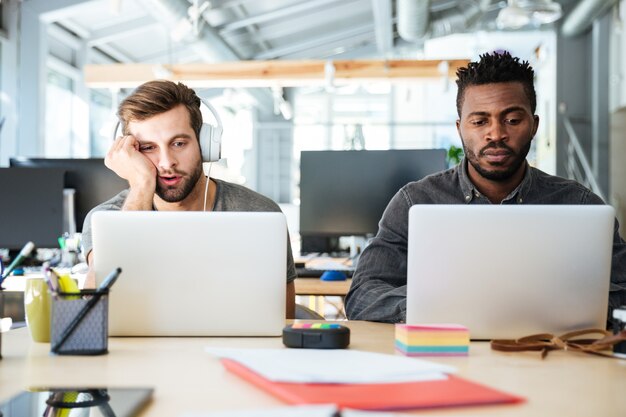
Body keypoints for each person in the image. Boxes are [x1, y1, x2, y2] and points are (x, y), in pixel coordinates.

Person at [345, 51, 626, 323]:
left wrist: (566, 304)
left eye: (512, 120)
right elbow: (362, 296)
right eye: (480, 121)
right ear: (460, 129)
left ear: (534, 125)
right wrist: (436, 307)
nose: (496, 134)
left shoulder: (578, 204)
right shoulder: (415, 202)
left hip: (547, 357)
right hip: (447, 355)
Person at [81, 80, 297, 318]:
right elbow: (95, 315)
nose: (166, 162)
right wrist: (141, 185)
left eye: (179, 143)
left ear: (205, 145)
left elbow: (281, 320)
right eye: (148, 148)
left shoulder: (260, 214)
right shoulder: (106, 220)